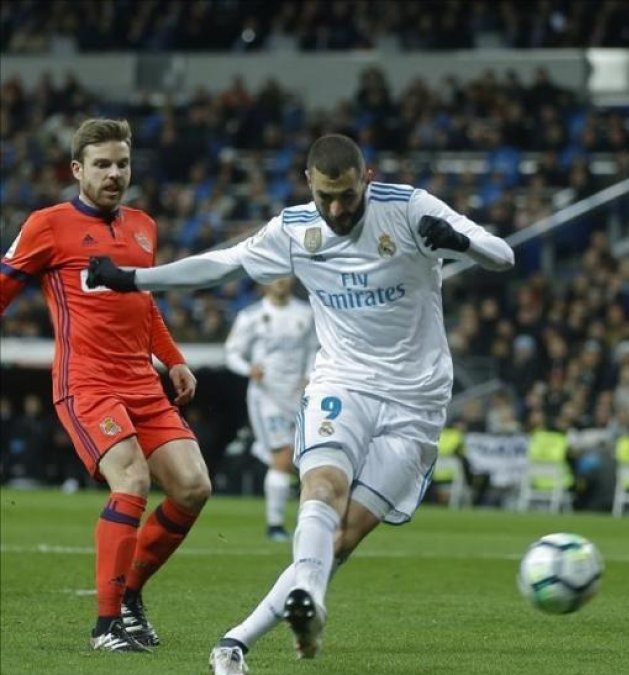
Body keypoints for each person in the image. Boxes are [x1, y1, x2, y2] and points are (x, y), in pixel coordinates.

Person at [86, 133, 514, 674]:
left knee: (345, 536)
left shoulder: (409, 209)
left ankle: (236, 641)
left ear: (367, 178)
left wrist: (460, 241)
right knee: (321, 487)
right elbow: (221, 264)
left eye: (348, 196)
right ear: (309, 184)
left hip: (416, 402)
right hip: (343, 384)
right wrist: (132, 280)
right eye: (326, 196)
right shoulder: (294, 230)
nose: (337, 209)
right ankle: (308, 599)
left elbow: (504, 255)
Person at [0, 118, 212, 653]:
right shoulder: (47, 225)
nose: (114, 173)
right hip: (86, 382)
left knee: (193, 487)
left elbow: (144, 301)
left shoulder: (143, 226)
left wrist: (173, 359)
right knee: (133, 481)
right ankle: (105, 625)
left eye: (122, 164)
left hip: (142, 382)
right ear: (77, 170)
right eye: (102, 164)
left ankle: (131, 595)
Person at [224, 277, 317, 541]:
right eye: (274, 276)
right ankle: (275, 525)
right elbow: (232, 352)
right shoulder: (251, 316)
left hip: (298, 395)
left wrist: (310, 373)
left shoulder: (305, 313)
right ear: (264, 282)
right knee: (283, 454)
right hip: (266, 397)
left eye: (285, 275)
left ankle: (305, 521)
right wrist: (248, 369)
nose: (281, 281)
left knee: (304, 457)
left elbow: (313, 348)